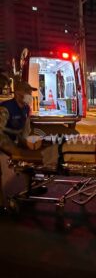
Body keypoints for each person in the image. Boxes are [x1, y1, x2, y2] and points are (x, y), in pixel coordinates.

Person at [0, 80, 44, 215]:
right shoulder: (5, 108)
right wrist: (14, 150)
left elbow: (25, 131)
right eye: (28, 93)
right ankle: (2, 204)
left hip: (12, 139)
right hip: (2, 138)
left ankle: (32, 183)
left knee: (32, 154)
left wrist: (29, 142)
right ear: (18, 93)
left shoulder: (25, 108)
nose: (31, 95)